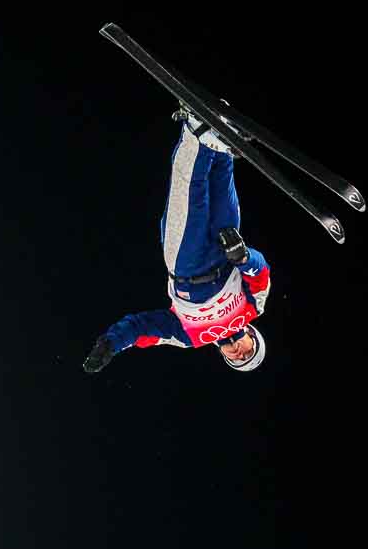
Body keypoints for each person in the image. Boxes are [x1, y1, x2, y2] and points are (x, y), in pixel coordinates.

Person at [84, 111, 271, 374]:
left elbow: (143, 329)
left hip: (187, 264)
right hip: (225, 252)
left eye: (236, 358)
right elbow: (260, 274)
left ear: (225, 356)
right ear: (253, 336)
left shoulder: (190, 337)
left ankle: (195, 131)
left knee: (190, 194)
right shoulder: (254, 308)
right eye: (248, 351)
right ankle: (223, 136)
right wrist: (244, 257)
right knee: (221, 188)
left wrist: (111, 344)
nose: (238, 351)